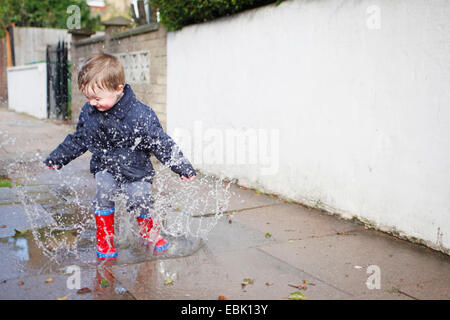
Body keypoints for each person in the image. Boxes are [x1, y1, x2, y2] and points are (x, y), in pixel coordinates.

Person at [43, 51, 196, 261]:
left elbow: (161, 143)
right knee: (103, 194)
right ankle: (104, 239)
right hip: (105, 167)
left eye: (97, 98)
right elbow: (79, 139)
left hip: (136, 170)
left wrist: (182, 167)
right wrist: (58, 157)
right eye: (87, 97)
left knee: (141, 198)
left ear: (118, 89)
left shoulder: (140, 115)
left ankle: (148, 232)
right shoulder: (89, 113)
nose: (92, 103)